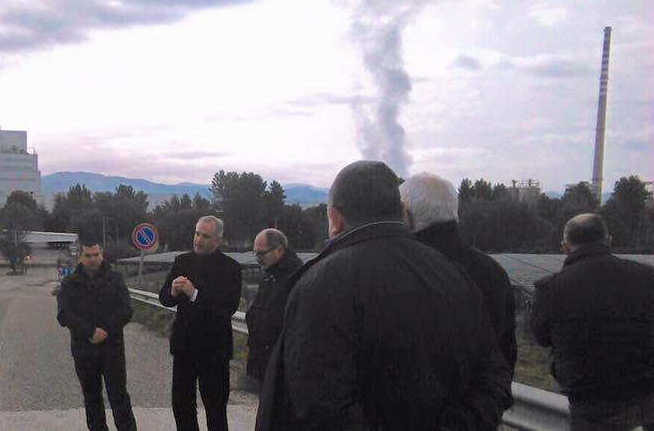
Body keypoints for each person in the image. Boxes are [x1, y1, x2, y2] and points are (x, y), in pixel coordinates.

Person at [255, 160, 513, 431]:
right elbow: (494, 372)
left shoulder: (321, 282)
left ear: (334, 219)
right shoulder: (454, 273)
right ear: (402, 211)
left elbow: (320, 402)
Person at [531, 213, 654, 430]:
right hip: (647, 401)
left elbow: (541, 337)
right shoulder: (647, 277)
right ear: (609, 241)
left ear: (565, 247)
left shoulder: (551, 289)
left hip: (591, 407)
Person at [399, 172, 517, 369]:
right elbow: (505, 350)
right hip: (485, 393)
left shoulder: (402, 271)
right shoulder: (492, 271)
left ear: (405, 214)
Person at [159, 215, 242, 431]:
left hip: (215, 349)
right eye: (197, 233)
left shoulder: (230, 267)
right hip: (184, 346)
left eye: (205, 236)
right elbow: (164, 299)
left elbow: (227, 307)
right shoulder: (182, 261)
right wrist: (173, 291)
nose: (198, 239)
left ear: (218, 240)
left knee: (215, 409)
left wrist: (195, 294)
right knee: (182, 406)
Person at [57, 242, 137, 431]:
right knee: (91, 397)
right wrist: (90, 331)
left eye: (96, 254)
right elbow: (64, 314)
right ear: (81, 257)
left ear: (101, 254)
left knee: (118, 395)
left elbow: (125, 309)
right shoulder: (69, 283)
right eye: (88, 255)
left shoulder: (115, 279)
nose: (92, 259)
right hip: (83, 348)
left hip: (112, 347)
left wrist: (106, 331)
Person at [244, 228, 302, 385]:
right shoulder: (270, 275)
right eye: (255, 253)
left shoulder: (296, 277)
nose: (258, 258)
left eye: (261, 253)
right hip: (263, 360)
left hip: (281, 363)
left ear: (280, 250)